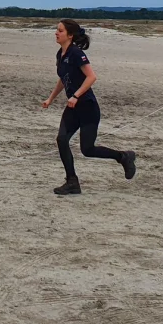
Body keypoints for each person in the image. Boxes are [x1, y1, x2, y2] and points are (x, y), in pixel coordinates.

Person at [41, 19, 136, 195]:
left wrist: (76, 96)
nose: (56, 33)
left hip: (87, 108)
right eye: (56, 30)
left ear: (70, 35)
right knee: (62, 139)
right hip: (73, 108)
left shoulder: (77, 53)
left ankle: (123, 157)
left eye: (60, 31)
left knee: (88, 149)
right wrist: (50, 98)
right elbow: (64, 78)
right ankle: (72, 182)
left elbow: (91, 77)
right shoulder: (60, 54)